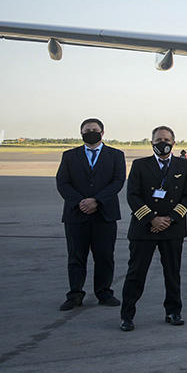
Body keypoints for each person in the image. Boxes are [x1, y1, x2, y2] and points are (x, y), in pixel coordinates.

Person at [118, 126, 187, 331]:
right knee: (136, 273)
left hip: (172, 228)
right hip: (144, 228)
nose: (163, 143)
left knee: (172, 273)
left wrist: (170, 218)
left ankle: (173, 311)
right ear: (152, 142)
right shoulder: (140, 165)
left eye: (166, 140)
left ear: (174, 143)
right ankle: (127, 315)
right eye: (159, 140)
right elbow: (132, 195)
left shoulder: (184, 165)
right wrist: (151, 219)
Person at [55, 118, 126, 311]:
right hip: (76, 215)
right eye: (87, 130)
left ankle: (104, 292)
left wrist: (97, 201)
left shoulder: (116, 155)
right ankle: (75, 294)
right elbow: (62, 182)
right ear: (81, 133)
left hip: (105, 215)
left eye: (95, 129)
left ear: (102, 133)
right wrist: (80, 202)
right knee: (76, 257)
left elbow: (118, 181)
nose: (91, 132)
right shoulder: (69, 156)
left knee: (104, 256)